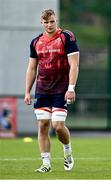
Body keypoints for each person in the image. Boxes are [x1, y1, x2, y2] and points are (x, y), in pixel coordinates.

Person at [24, 9, 79, 173]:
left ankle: (67, 150)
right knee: (43, 125)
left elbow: (74, 64)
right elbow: (32, 68)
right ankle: (46, 164)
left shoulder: (66, 37)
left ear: (56, 20)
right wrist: (27, 91)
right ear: (41, 23)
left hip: (61, 89)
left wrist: (71, 88)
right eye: (46, 22)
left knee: (57, 126)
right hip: (42, 89)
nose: (49, 25)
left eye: (52, 21)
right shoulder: (35, 42)